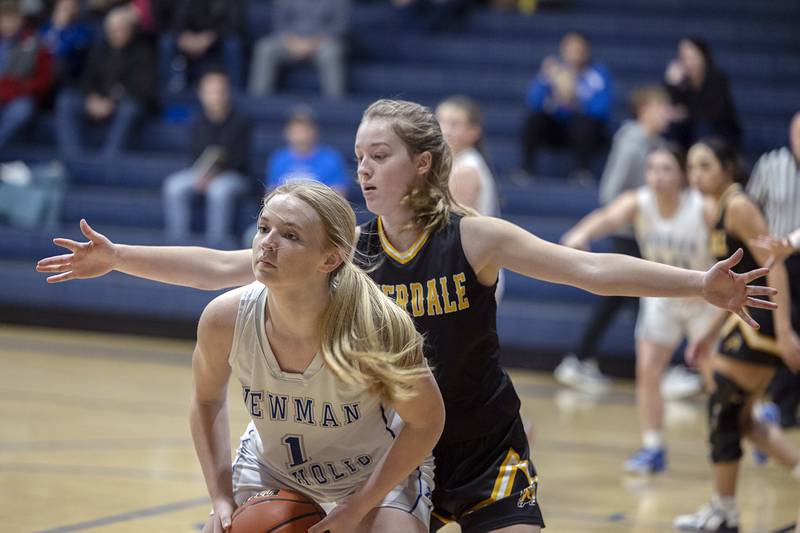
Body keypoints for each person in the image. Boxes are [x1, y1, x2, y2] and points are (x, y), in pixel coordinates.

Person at [37, 99, 777, 533]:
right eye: (358, 155)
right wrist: (121, 256)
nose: (362, 167)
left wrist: (697, 283)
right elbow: (223, 266)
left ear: (422, 162)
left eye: (379, 154)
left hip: (481, 442)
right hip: (385, 446)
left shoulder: (471, 234)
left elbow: (586, 268)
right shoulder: (343, 246)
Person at [190, 180, 444, 533]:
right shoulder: (225, 319)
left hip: (373, 474)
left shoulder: (375, 327)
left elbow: (427, 421)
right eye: (264, 228)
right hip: (273, 468)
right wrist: (219, 497)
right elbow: (206, 400)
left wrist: (357, 508)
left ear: (330, 258)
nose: (267, 242)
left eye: (290, 236)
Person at [561, 145, 717, 474]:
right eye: (652, 169)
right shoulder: (639, 201)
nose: (657, 176)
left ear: (682, 175)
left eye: (666, 169)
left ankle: (751, 427)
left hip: (703, 299)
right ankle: (653, 447)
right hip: (661, 297)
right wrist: (581, 234)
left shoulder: (703, 208)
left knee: (718, 379)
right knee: (647, 370)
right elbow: (606, 218)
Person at [673, 139, 800, 533]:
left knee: (724, 408)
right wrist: (707, 334)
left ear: (728, 167)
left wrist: (784, 334)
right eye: (691, 166)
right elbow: (728, 288)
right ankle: (726, 506)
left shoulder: (739, 205)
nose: (696, 174)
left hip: (763, 319)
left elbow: (773, 264)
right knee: (740, 418)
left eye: (705, 165)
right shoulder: (718, 207)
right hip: (745, 317)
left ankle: (724, 512)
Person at [554, 86, 672, 393]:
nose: (668, 114)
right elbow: (611, 191)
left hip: (642, 232)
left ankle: (580, 359)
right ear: (645, 108)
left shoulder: (655, 144)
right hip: (626, 232)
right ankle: (661, 368)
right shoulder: (631, 143)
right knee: (641, 299)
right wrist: (629, 211)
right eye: (662, 107)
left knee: (620, 299)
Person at [746, 112, 800, 432]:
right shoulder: (771, 164)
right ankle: (781, 407)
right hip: (780, 261)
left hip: (790, 248)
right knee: (787, 329)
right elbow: (751, 207)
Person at [162, 70, 251, 246]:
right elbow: (195, 156)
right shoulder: (196, 122)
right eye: (210, 91)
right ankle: (178, 244)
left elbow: (240, 159)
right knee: (174, 186)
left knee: (218, 190)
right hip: (201, 171)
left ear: (227, 93)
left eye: (219, 91)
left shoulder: (241, 121)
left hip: (233, 175)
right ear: (201, 94)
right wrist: (203, 174)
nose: (215, 96)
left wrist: (214, 174)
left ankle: (216, 245)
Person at [54, 7, 154, 159]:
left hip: (124, 102)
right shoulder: (99, 50)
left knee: (130, 108)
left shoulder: (143, 51)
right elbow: (87, 79)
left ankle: (108, 158)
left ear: (131, 30)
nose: (118, 34)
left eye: (122, 29)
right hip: (97, 100)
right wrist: (92, 98)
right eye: (113, 30)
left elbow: (143, 88)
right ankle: (72, 156)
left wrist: (112, 102)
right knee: (66, 100)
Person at [521, 31, 611, 181]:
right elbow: (533, 102)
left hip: (585, 131)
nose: (573, 55)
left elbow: (601, 110)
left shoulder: (598, 74)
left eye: (578, 50)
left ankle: (582, 172)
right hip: (557, 129)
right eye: (569, 50)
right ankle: (525, 170)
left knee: (585, 125)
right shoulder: (552, 70)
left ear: (586, 51)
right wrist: (545, 80)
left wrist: (576, 102)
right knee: (534, 120)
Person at [248, 0, 349, 100]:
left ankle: (335, 104)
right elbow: (279, 25)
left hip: (321, 44)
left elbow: (339, 28)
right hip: (289, 42)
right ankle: (258, 100)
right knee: (265, 48)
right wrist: (291, 41)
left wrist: (312, 44)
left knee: (330, 53)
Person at [664, 37, 741, 150]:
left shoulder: (717, 79)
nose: (688, 62)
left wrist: (688, 113)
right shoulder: (680, 81)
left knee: (703, 125)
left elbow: (714, 112)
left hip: (719, 131)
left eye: (692, 57)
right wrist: (671, 85)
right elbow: (672, 110)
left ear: (703, 56)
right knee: (671, 127)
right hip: (689, 132)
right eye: (684, 58)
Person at [159, 0, 243, 93]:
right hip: (187, 37)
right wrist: (181, 35)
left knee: (232, 44)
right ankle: (167, 92)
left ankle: (234, 92)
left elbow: (233, 21)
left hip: (216, 38)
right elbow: (171, 17)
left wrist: (210, 37)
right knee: (167, 42)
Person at [0, 0, 53, 148]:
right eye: (5, 19)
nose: (9, 24)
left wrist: (20, 88)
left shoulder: (34, 42)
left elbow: (45, 78)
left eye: (14, 19)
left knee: (22, 110)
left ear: (21, 20)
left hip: (20, 96)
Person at [266, 106, 350, 198]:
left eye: (304, 131)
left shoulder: (331, 159)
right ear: (287, 133)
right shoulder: (278, 159)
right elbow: (270, 196)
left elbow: (339, 197)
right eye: (295, 131)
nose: (300, 136)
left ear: (314, 132)